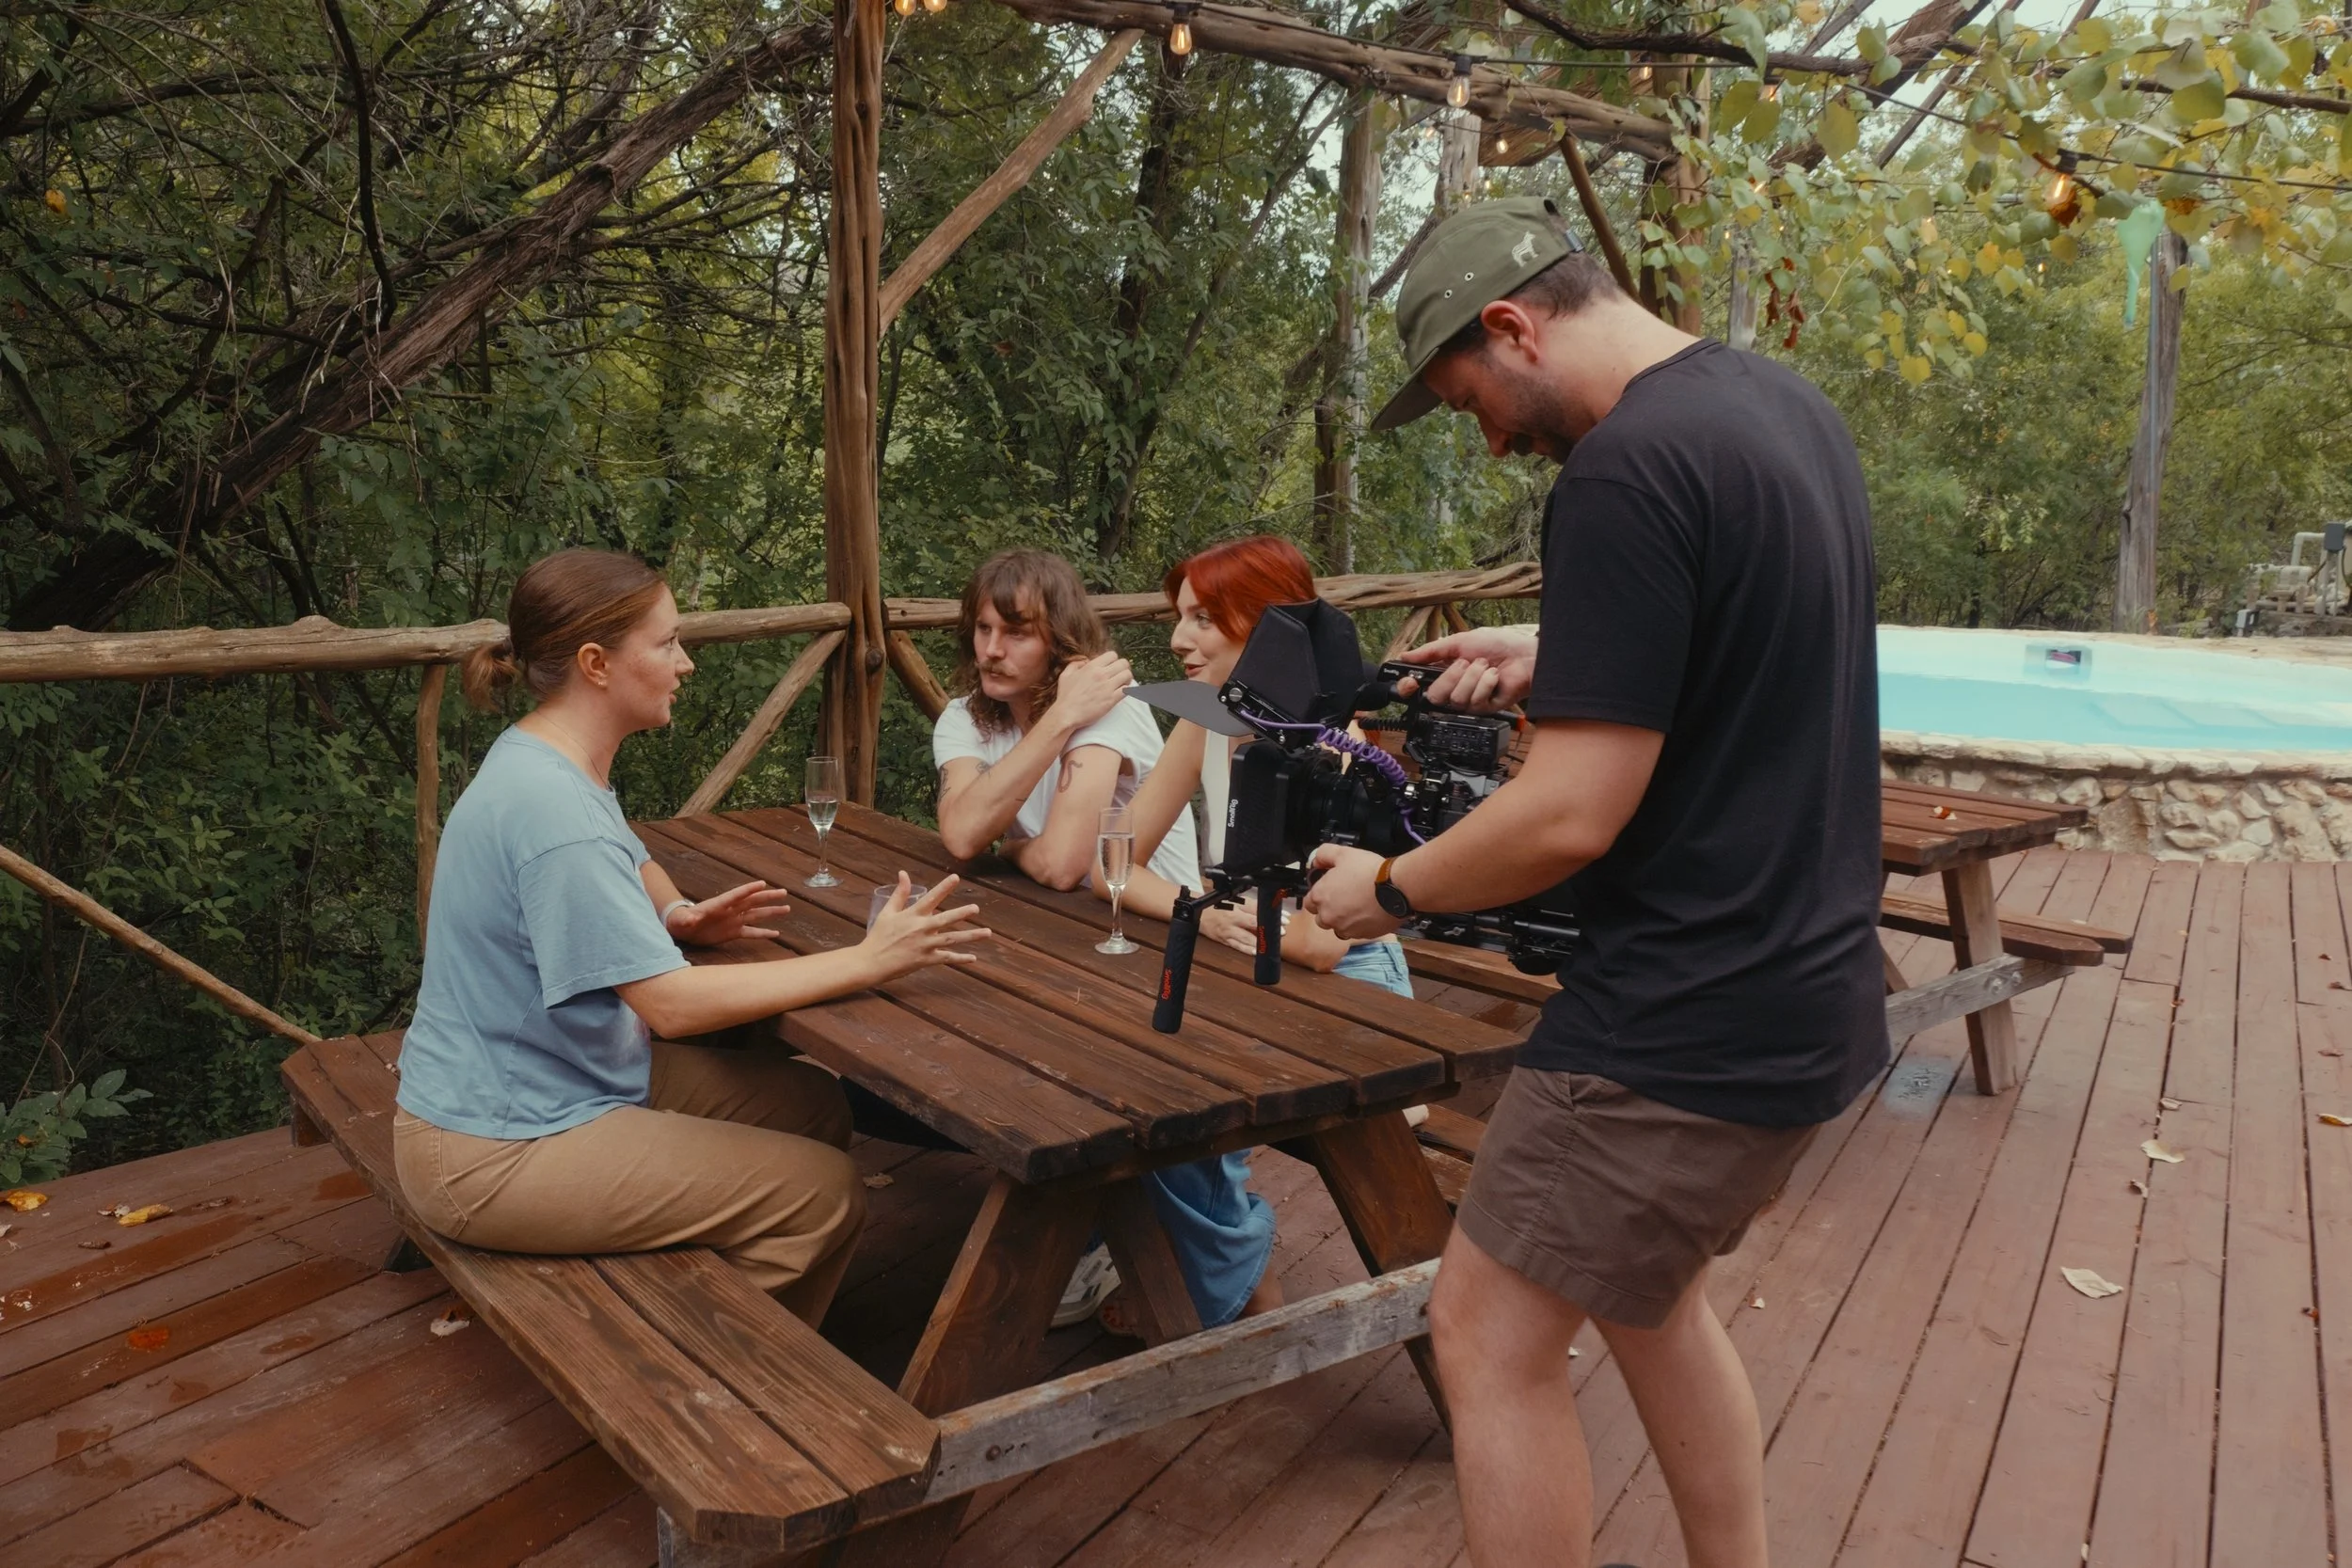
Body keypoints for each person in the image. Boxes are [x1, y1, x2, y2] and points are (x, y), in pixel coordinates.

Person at [1302, 197, 1884, 1568]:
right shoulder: (1779, 409)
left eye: (1472, 401)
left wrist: (1389, 890)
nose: (1491, 436)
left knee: (1486, 1337)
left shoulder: (1620, 473)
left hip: (1673, 1019)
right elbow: (1743, 635)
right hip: (1807, 985)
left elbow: (1566, 815)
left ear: (1514, 325)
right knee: (1644, 1298)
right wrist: (1559, 643)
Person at [394, 548, 988, 1327]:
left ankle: (701, 1287)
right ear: (596, 663)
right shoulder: (550, 810)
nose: (686, 663)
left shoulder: (548, 756)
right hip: (490, 1144)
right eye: (668, 642)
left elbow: (628, 852)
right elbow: (670, 1006)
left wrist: (677, 915)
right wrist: (866, 959)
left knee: (813, 1105)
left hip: (553, 1076)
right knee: (822, 1194)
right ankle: (704, 1382)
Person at [930, 547, 1274, 1337]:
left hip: (1168, 941)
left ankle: (1210, 1264)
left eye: (1015, 632)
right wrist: (1053, 722)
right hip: (1076, 943)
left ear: (1060, 642)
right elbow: (957, 833)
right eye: (981, 628)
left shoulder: (1115, 712)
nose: (990, 649)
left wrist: (1005, 841)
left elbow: (1058, 861)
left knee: (1120, 1074)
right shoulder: (967, 716)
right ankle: (1089, 1226)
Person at [1117, 533, 1414, 1002]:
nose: (1177, 640)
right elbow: (1113, 864)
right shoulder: (1204, 724)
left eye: (1203, 619)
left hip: (1352, 980)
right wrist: (1204, 913)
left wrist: (1211, 916)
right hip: (1247, 961)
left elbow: (1320, 947)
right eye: (1180, 619)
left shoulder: (1335, 747)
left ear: (1268, 627)